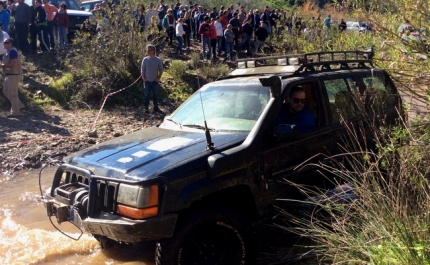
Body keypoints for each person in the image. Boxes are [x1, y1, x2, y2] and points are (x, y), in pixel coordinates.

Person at [2, 38, 25, 117]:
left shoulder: (12, 51)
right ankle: (19, 105)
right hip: (9, 75)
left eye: (5, 43)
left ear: (10, 44)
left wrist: (3, 66)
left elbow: (14, 63)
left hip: (14, 75)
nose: (3, 44)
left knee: (12, 93)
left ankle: (16, 112)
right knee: (5, 90)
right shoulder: (8, 52)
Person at [141, 44, 163, 114]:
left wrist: (158, 78)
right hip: (147, 81)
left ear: (153, 51)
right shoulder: (145, 59)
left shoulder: (158, 60)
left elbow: (161, 70)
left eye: (149, 50)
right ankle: (146, 108)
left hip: (154, 81)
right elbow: (142, 69)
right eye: (147, 50)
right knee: (146, 94)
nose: (148, 51)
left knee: (155, 94)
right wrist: (143, 78)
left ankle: (155, 107)